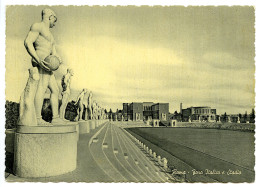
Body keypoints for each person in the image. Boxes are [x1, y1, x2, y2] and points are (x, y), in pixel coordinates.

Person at [24, 8, 64, 125]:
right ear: (50, 16)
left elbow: (54, 51)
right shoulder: (38, 26)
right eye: (54, 20)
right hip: (42, 60)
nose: (54, 24)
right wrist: (38, 59)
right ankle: (37, 119)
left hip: (48, 63)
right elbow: (28, 43)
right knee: (41, 88)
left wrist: (58, 59)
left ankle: (55, 118)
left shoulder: (50, 35)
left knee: (55, 90)